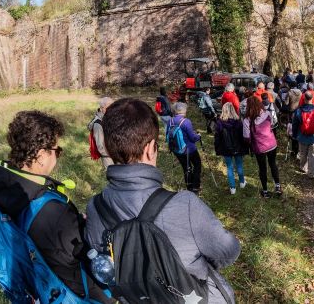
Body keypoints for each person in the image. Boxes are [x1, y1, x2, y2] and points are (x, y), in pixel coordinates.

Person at [84, 98, 240, 303]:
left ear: (107, 147)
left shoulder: (95, 208)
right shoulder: (186, 205)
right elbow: (228, 250)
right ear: (151, 148)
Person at [0, 111, 111, 302]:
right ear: (40, 156)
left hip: (35, 286)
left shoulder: (5, 187)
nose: (58, 156)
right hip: (70, 291)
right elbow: (76, 257)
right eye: (57, 150)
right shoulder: (51, 210)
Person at [243, 95, 282, 198]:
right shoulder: (267, 113)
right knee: (273, 164)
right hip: (272, 144)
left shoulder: (247, 120)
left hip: (259, 147)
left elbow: (246, 137)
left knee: (262, 168)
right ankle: (278, 186)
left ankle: (265, 191)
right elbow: (272, 125)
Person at [214, 102, 249, 195]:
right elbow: (243, 136)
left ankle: (233, 188)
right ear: (233, 110)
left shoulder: (220, 123)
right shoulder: (238, 122)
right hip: (238, 148)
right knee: (239, 165)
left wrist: (217, 148)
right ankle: (242, 182)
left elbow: (217, 138)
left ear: (223, 110)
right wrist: (245, 147)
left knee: (229, 167)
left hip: (226, 149)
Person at [168, 102, 203, 194]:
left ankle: (189, 186)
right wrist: (198, 136)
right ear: (183, 110)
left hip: (177, 150)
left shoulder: (170, 121)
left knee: (186, 167)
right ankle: (196, 186)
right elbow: (193, 138)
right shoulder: (186, 121)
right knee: (197, 165)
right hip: (189, 149)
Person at [291, 90, 314, 179]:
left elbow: (295, 125)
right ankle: (311, 173)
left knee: (303, 153)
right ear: (312, 98)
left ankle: (303, 168)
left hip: (302, 136)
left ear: (304, 99)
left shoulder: (298, 111)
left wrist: (294, 135)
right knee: (312, 155)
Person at [88, 96, 114, 168]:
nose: (113, 109)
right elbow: (101, 147)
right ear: (102, 108)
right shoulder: (98, 124)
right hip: (108, 158)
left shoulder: (107, 118)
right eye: (110, 107)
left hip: (114, 155)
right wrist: (114, 154)